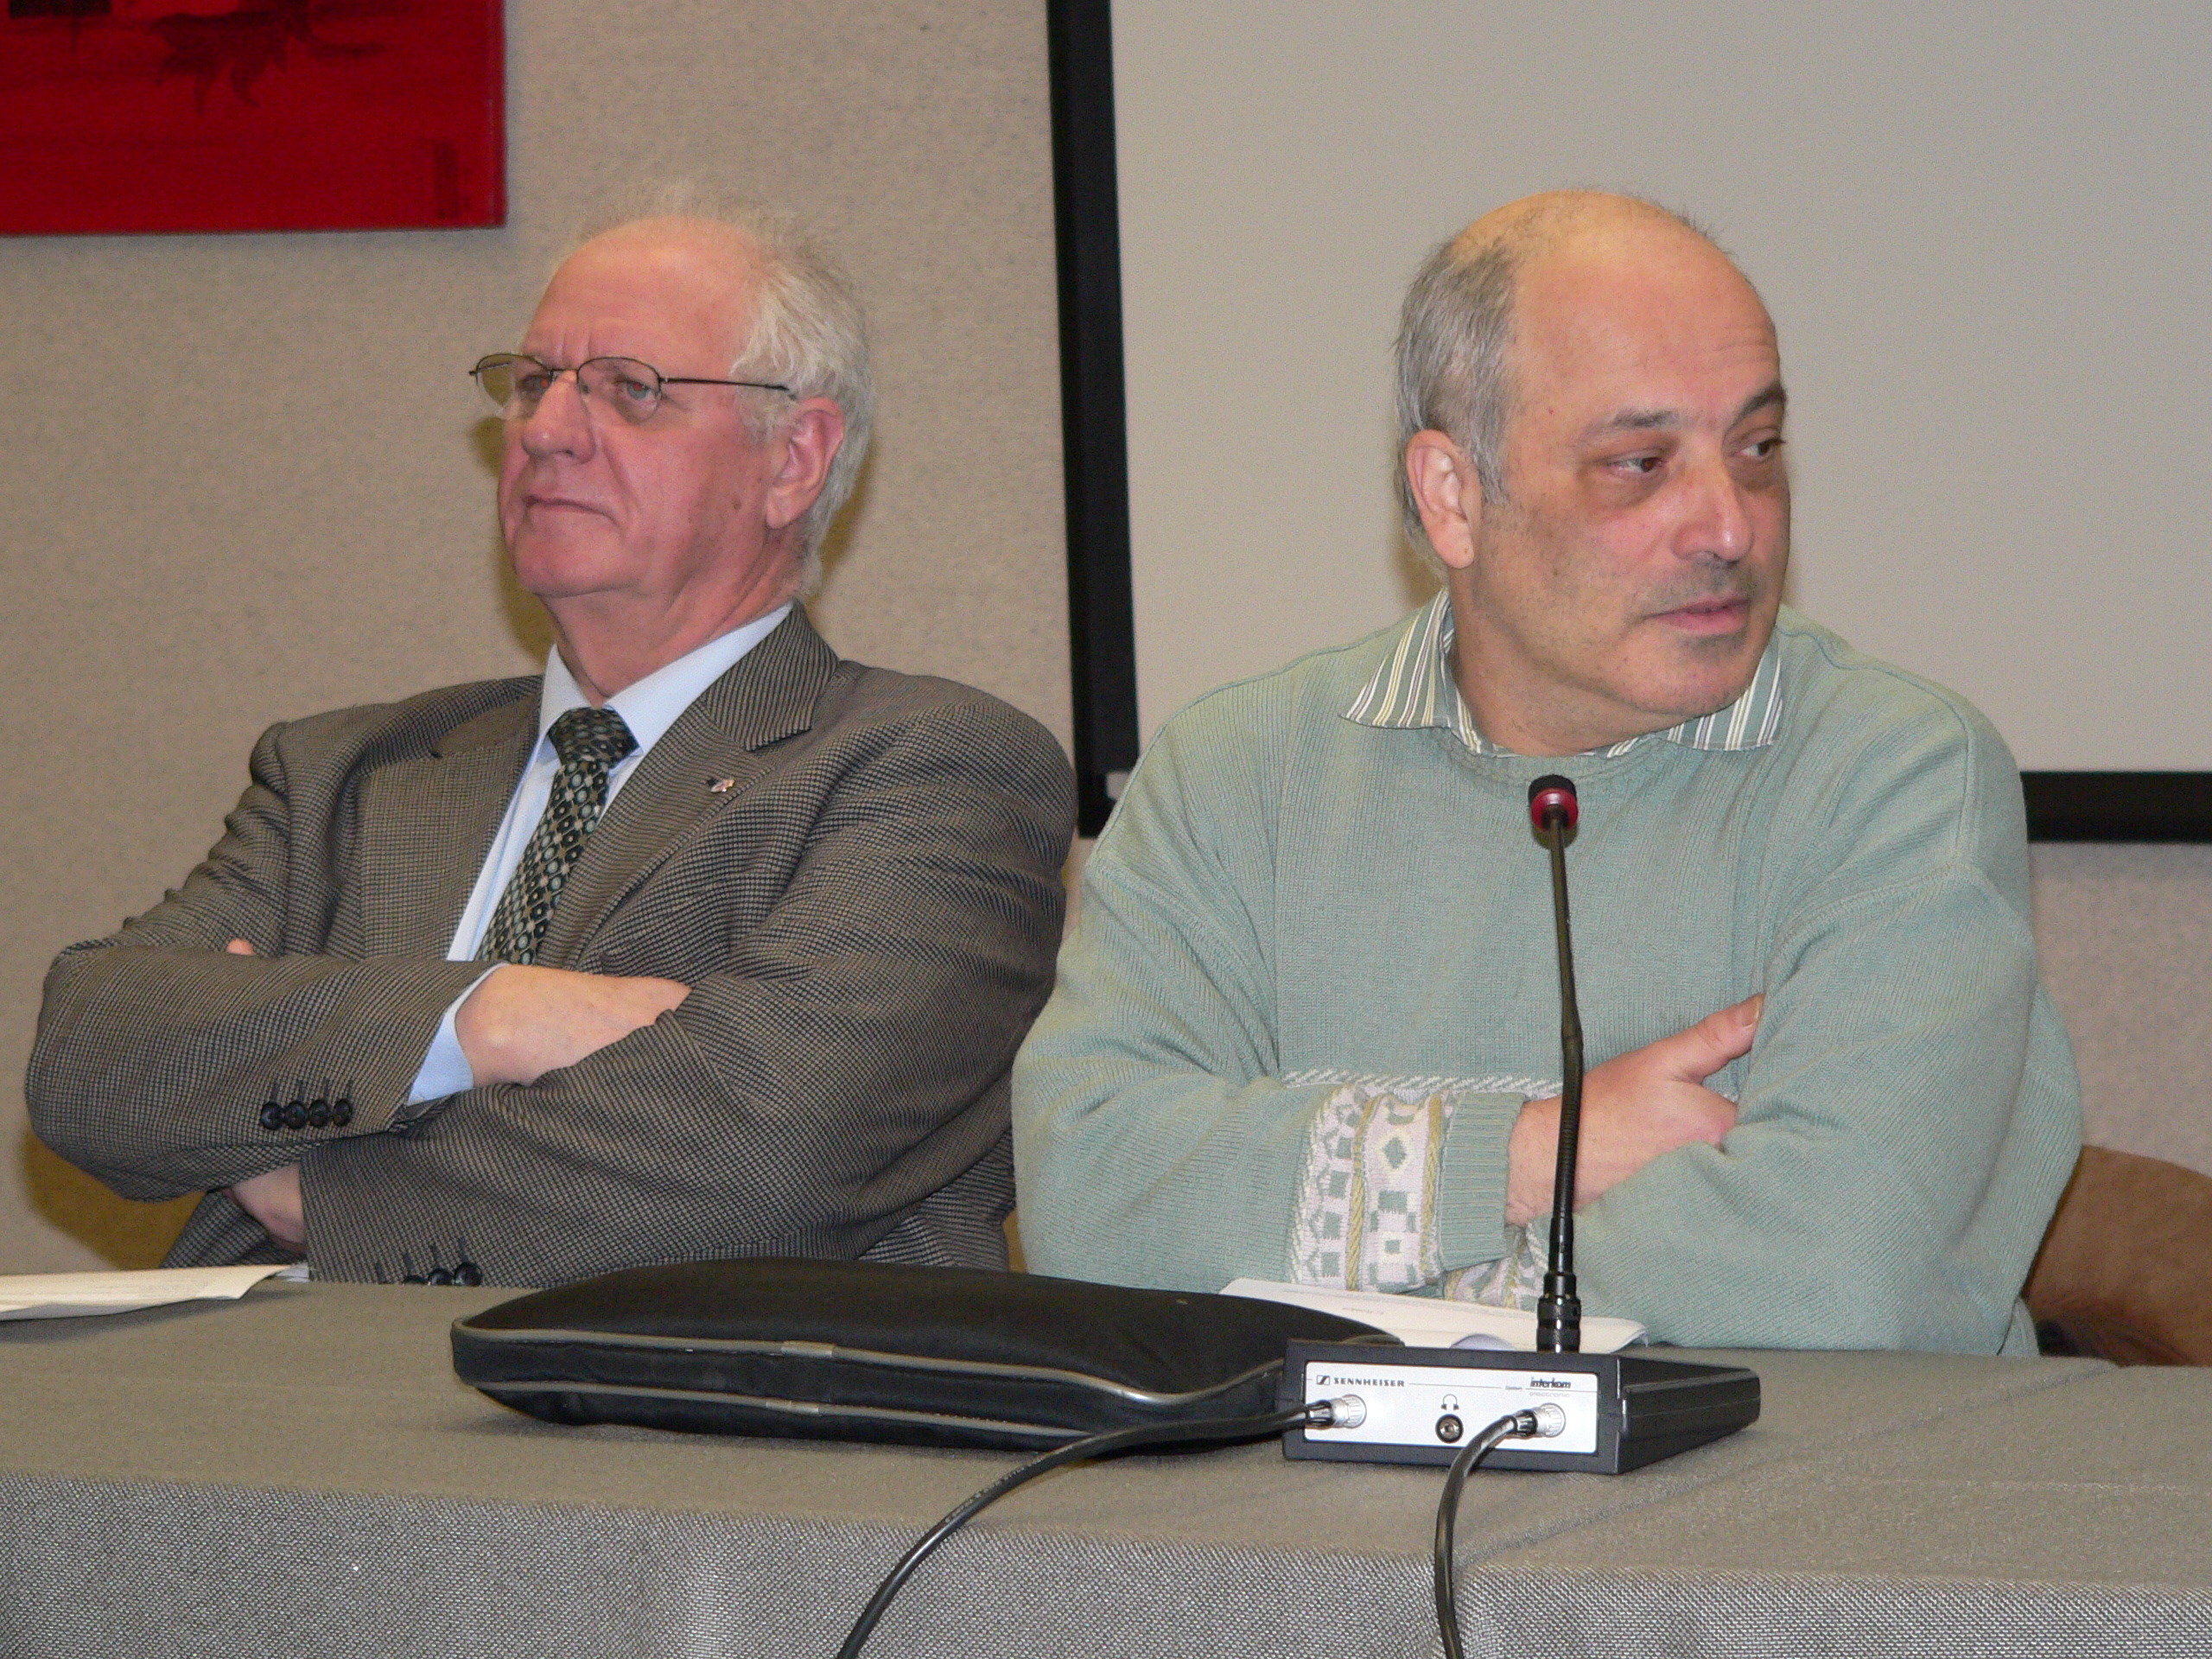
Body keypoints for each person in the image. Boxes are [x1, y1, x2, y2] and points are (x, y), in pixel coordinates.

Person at [1012, 192, 2079, 1352]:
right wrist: (1528, 1153)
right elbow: (1090, 1206)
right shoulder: (1236, 778)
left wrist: (1329, 1278)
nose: (1729, 526)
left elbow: (1831, 1283)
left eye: (1757, 449)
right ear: (1452, 498)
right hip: (1308, 1484)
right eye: (1639, 464)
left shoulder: (1897, 777)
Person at [29, 203, 1074, 1286]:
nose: (544, 431)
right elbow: (89, 1058)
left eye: (630, 389)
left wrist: (317, 1192)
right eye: (534, 382)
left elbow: (754, 1159)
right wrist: (482, 1015)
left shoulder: (932, 772)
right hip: (245, 1382)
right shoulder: (345, 773)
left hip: (673, 1388)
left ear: (793, 459)